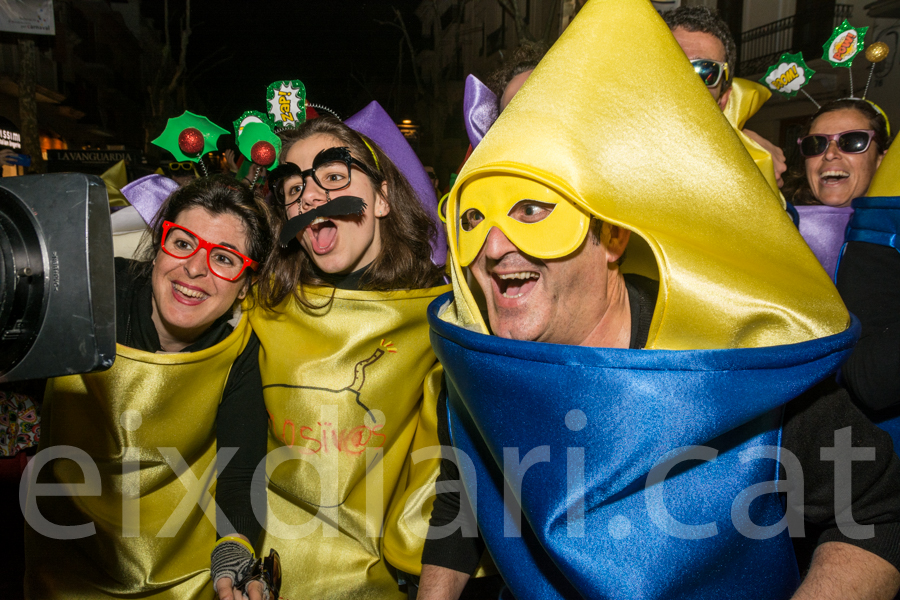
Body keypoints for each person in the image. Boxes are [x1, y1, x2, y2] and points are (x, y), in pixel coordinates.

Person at [417, 1, 900, 598]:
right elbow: (461, 494)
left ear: (613, 236)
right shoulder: (476, 366)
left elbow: (877, 510)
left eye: (534, 212)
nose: (494, 247)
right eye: (472, 219)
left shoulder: (735, 354)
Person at [221, 114, 451, 600]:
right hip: (263, 578)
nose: (309, 195)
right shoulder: (259, 309)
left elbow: (449, 482)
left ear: (382, 198)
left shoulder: (440, 318)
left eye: (333, 176)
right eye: (293, 187)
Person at [23, 175, 274, 600]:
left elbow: (241, 471)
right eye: (182, 243)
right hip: (66, 558)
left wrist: (234, 550)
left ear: (245, 283)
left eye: (225, 258)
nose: (195, 268)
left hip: (183, 573)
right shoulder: (85, 296)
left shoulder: (241, 349)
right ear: (158, 247)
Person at [664, 6, 788, 190]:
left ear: (723, 99)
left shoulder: (744, 176)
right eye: (671, 63)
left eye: (705, 70)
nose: (686, 80)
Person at [784, 99, 889, 208]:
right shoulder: (783, 221)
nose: (829, 154)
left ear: (882, 161)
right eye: (816, 144)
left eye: (852, 142)